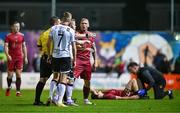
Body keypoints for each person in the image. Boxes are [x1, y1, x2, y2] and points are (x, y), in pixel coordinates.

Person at [47, 12, 77, 107]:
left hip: (55, 55)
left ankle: (50, 97)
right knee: (63, 78)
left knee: (55, 77)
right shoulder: (71, 30)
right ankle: (59, 101)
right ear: (69, 19)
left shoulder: (53, 28)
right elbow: (74, 47)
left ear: (62, 18)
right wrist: (75, 59)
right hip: (65, 56)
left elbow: (48, 43)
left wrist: (49, 55)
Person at [33, 16, 60, 106]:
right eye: (59, 22)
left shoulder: (44, 33)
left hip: (44, 58)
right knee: (59, 78)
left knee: (42, 80)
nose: (60, 24)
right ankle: (57, 99)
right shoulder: (56, 32)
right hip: (54, 58)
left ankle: (37, 100)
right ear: (56, 23)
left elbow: (39, 46)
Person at [73, 18, 98, 105]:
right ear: (80, 25)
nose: (84, 25)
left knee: (87, 81)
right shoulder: (76, 34)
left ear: (88, 25)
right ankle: (66, 98)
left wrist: (95, 61)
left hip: (87, 62)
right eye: (82, 23)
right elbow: (74, 44)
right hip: (78, 60)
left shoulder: (91, 35)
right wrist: (84, 47)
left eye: (85, 23)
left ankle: (86, 100)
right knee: (71, 80)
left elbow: (94, 49)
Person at [4, 21, 28, 97]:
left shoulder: (22, 35)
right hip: (11, 57)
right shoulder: (8, 36)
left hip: (19, 57)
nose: (17, 28)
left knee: (18, 74)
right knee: (10, 75)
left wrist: (26, 57)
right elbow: (6, 46)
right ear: (12, 27)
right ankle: (8, 87)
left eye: (18, 26)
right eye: (16, 26)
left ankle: (18, 91)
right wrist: (7, 55)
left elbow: (24, 46)